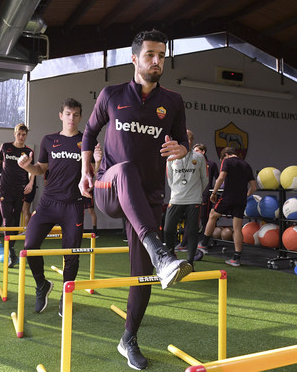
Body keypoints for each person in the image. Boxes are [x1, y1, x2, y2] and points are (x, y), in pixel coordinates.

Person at [79, 29, 192, 370]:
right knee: (125, 169)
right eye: (150, 55)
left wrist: (181, 149)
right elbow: (88, 133)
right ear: (134, 59)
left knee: (142, 276)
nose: (157, 61)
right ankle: (161, 252)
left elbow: (183, 142)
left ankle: (128, 337)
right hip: (108, 188)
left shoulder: (172, 102)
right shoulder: (111, 94)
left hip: (148, 198)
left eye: (161, 55)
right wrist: (86, 170)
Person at [17, 98, 102, 316]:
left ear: (80, 117)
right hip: (48, 203)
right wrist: (28, 167)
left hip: (73, 205)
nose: (71, 118)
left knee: (71, 254)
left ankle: (66, 293)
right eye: (67, 114)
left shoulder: (87, 141)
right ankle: (42, 284)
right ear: (61, 115)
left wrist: (99, 162)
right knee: (30, 244)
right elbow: (40, 168)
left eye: (75, 115)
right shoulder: (49, 140)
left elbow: (94, 175)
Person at [0, 124, 35, 267]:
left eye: (24, 135)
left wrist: (31, 182)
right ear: (14, 134)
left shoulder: (28, 151)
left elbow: (31, 169)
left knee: (15, 220)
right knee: (7, 219)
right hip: (5, 189)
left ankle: (11, 249)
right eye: (19, 134)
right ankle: (10, 252)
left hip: (19, 190)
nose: (21, 137)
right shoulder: (5, 147)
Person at [201, 147, 257, 267]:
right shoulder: (246, 165)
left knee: (212, 215)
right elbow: (253, 187)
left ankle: (204, 245)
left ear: (226, 155)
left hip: (228, 197)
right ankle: (236, 258)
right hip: (241, 199)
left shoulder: (227, 161)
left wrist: (214, 193)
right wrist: (245, 195)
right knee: (237, 228)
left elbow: (221, 178)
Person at [163, 129, 208, 270]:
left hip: (194, 199)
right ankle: (171, 257)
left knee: (193, 231)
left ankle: (190, 262)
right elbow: (169, 179)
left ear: (192, 140)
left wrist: (195, 193)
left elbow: (204, 179)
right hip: (176, 198)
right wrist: (178, 191)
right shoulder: (171, 157)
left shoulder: (199, 157)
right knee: (168, 229)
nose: (187, 141)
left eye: (189, 138)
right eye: (184, 138)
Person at [193, 143, 219, 251]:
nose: (195, 153)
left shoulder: (211, 164)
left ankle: (205, 242)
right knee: (195, 219)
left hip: (206, 195)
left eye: (197, 151)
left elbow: (218, 179)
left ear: (203, 152)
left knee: (205, 218)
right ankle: (194, 241)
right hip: (193, 194)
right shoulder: (194, 164)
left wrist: (215, 192)